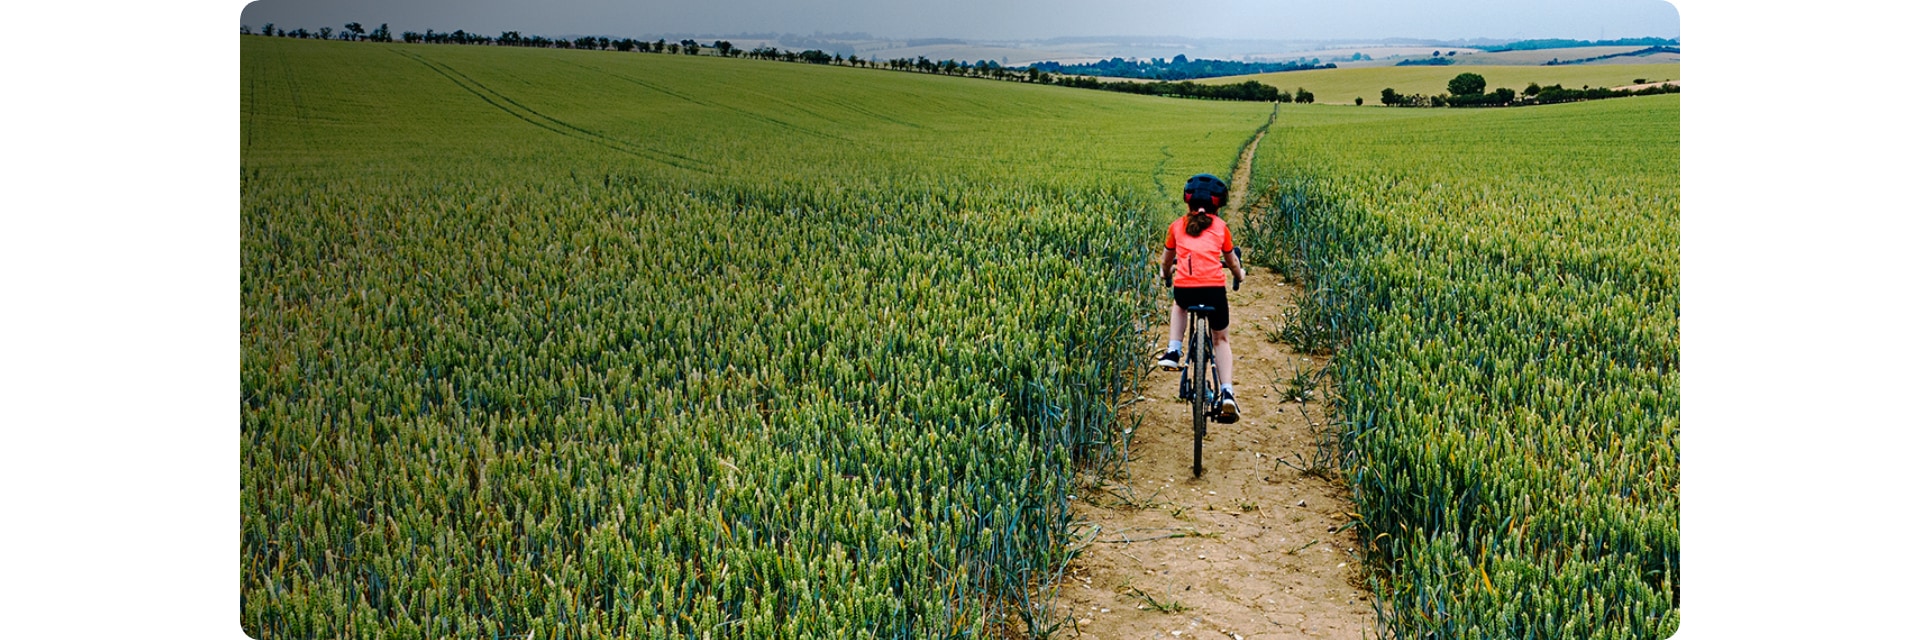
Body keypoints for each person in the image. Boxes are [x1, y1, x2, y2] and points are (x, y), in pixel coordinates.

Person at [1157, 173, 1246, 420]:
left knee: (1179, 305)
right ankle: (1227, 393)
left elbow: (1166, 261)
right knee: (1221, 340)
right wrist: (1240, 275)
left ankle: (1174, 351)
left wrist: (1166, 274)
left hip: (1185, 289)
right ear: (1218, 204)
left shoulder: (1176, 227)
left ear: (1188, 202)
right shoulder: (1221, 228)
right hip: (1214, 292)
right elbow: (1232, 261)